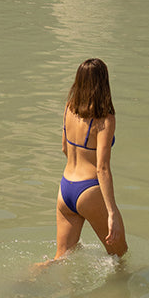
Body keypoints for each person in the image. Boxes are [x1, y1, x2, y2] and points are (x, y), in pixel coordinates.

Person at [51, 57, 127, 262]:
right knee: (120, 256)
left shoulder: (69, 108)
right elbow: (102, 168)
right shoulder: (105, 119)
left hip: (65, 188)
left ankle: (32, 276)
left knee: (60, 258)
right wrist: (111, 213)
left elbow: (64, 148)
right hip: (89, 190)